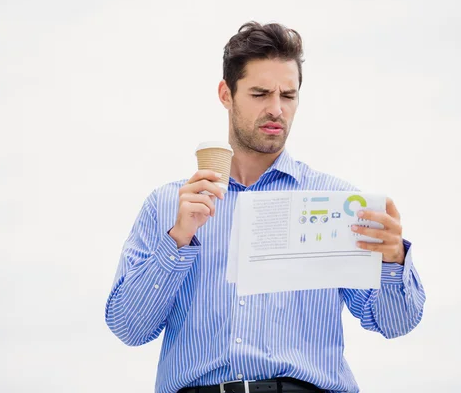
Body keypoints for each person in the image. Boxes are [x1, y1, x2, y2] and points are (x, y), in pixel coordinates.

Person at [105, 21, 426, 393]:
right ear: (226, 94)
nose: (277, 110)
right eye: (260, 93)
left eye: (288, 96)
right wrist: (177, 241)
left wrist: (392, 262)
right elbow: (128, 328)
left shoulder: (336, 203)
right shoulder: (167, 207)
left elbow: (395, 322)